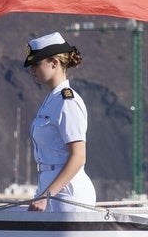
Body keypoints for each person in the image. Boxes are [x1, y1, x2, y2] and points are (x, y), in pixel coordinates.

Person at [23, 31, 96, 212]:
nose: (32, 70)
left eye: (36, 64)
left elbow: (78, 157)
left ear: (54, 63)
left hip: (67, 194)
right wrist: (44, 194)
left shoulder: (67, 102)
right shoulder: (52, 100)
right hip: (50, 189)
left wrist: (46, 195)